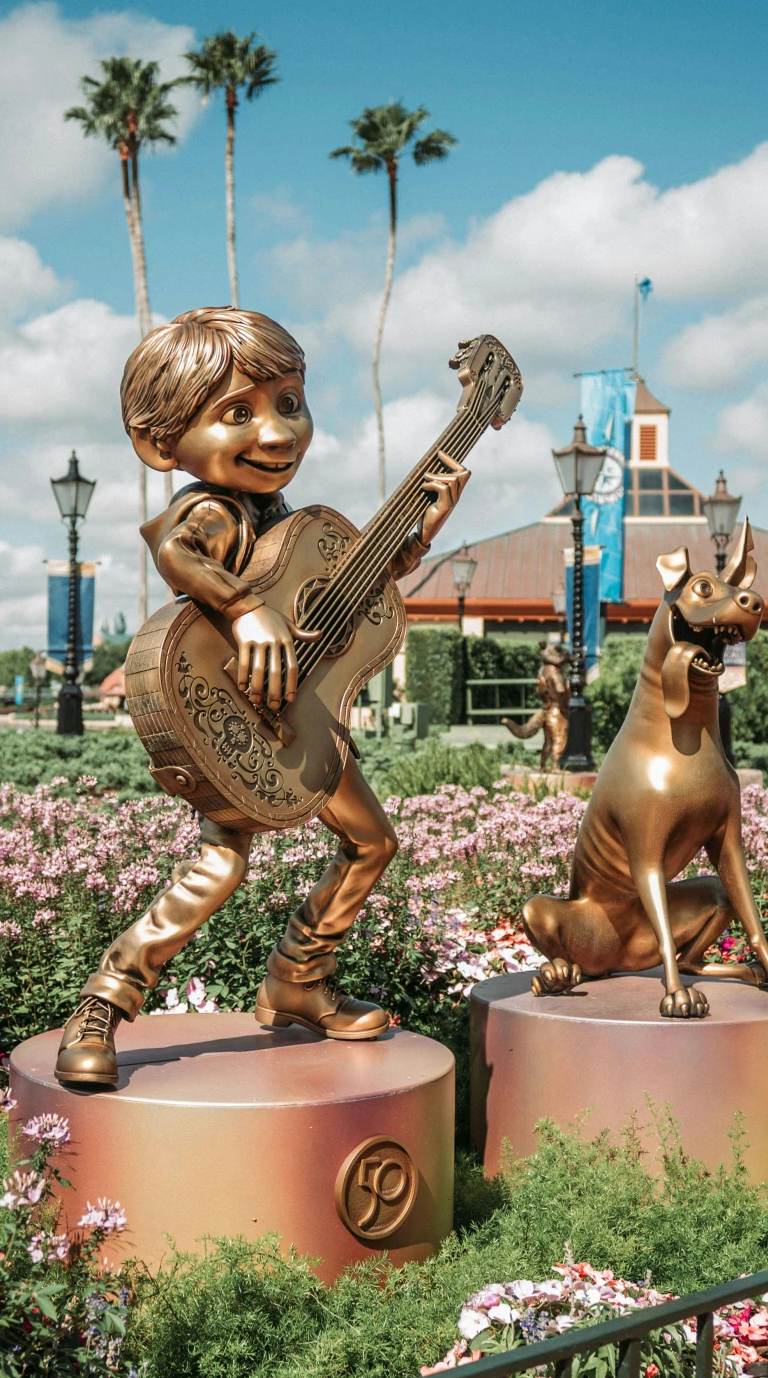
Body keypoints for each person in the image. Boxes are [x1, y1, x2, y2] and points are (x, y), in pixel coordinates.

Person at [53, 307, 468, 1088]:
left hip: (304, 716)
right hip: (232, 709)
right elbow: (175, 552)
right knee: (218, 863)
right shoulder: (210, 510)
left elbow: (353, 597)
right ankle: (103, 1002)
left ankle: (297, 980)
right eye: (237, 413)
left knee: (371, 843)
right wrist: (244, 611)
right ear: (156, 441)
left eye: (289, 403)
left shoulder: (287, 521)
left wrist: (417, 537)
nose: (278, 433)